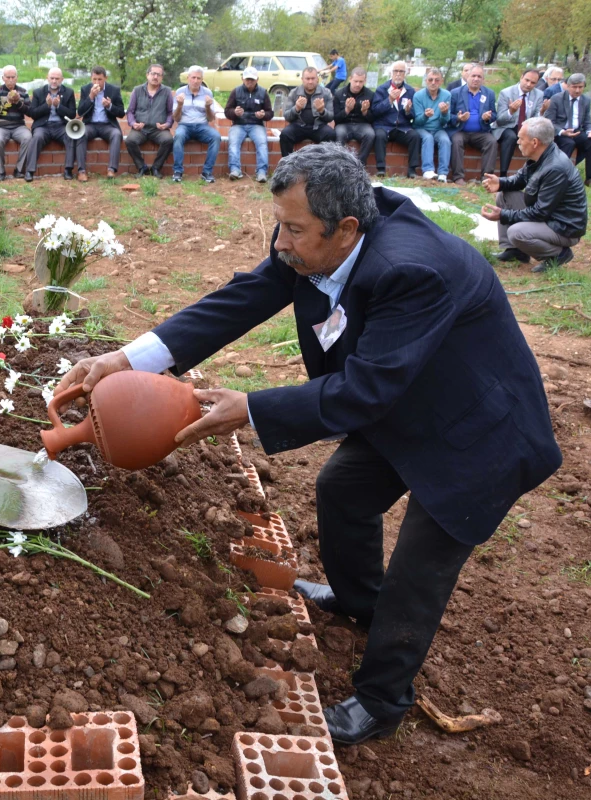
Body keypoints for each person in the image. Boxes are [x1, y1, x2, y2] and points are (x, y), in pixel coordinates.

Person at [56, 142, 561, 748]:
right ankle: (356, 601)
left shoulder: (412, 269)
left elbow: (366, 389)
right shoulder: (318, 246)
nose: (280, 244)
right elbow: (240, 299)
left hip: (477, 433)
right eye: (279, 224)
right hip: (408, 400)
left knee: (417, 572)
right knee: (342, 487)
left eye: (293, 230)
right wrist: (124, 358)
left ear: (346, 227)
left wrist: (251, 407)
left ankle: (381, 701)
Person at [481, 117, 586, 272]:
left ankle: (559, 254)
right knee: (504, 195)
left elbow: (539, 213)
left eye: (521, 139)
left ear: (535, 142)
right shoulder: (540, 156)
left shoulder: (556, 167)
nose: (518, 142)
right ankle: (516, 251)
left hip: (564, 227)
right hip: (550, 216)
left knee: (516, 233)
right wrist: (501, 183)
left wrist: (504, 215)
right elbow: (521, 179)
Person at [544, 73, 591, 187]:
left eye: (580, 87)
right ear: (568, 86)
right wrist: (562, 132)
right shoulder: (557, 98)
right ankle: (557, 175)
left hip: (577, 131)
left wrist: (590, 131)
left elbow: (587, 120)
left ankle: (590, 178)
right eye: (574, 87)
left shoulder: (586, 100)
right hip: (561, 132)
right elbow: (549, 121)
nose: (578, 90)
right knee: (569, 143)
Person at [171, 66, 224, 184]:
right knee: (178, 136)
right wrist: (179, 105)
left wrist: (207, 107)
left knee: (216, 137)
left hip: (202, 126)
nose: (195, 81)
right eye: (193, 77)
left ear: (202, 79)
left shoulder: (207, 93)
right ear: (188, 78)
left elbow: (210, 118)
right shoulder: (180, 92)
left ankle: (207, 172)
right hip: (184, 125)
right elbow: (176, 118)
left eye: (198, 78)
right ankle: (178, 171)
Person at [448, 64, 498, 186]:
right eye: (473, 76)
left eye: (479, 76)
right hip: (461, 130)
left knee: (492, 142)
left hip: (481, 132)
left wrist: (488, 117)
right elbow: (448, 116)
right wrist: (458, 118)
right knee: (456, 141)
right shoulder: (455, 93)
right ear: (467, 76)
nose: (476, 79)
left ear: (483, 79)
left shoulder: (489, 94)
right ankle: (458, 177)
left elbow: (495, 115)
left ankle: (486, 178)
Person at [24, 67, 77, 182]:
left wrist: (59, 106)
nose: (54, 81)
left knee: (70, 136)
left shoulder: (69, 92)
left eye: (57, 78)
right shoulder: (38, 92)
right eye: (52, 78)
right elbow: (33, 114)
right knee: (36, 137)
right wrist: (46, 106)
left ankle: (68, 170)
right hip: (43, 126)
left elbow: (72, 114)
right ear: (47, 78)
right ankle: (29, 171)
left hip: (61, 126)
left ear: (62, 79)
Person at [125, 64, 175, 178]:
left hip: (158, 129)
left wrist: (167, 124)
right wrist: (133, 124)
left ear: (162, 77)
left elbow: (170, 112)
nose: (155, 77)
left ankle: (156, 168)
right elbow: (130, 111)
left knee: (168, 140)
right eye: (153, 73)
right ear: (147, 75)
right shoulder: (137, 90)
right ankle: (141, 167)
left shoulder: (167, 91)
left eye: (159, 74)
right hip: (140, 129)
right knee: (130, 141)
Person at [371, 61, 419, 178]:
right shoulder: (382, 89)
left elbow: (413, 115)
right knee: (379, 135)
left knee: (415, 136)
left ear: (405, 74)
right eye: (395, 71)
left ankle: (412, 170)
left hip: (402, 127)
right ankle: (381, 169)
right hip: (384, 126)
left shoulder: (410, 91)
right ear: (391, 73)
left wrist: (408, 111)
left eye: (401, 71)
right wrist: (389, 100)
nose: (398, 74)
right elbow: (375, 111)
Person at [492, 68, 543, 177]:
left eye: (533, 82)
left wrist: (542, 112)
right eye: (526, 80)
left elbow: (537, 118)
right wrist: (511, 111)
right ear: (521, 78)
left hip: (527, 126)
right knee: (510, 137)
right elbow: (499, 120)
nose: (529, 84)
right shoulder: (506, 93)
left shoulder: (538, 95)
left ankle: (535, 174)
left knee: (538, 138)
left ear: (537, 83)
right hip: (506, 127)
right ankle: (503, 174)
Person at [76, 66, 125, 180]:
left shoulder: (114, 90)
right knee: (80, 133)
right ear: (91, 78)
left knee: (116, 134)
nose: (97, 82)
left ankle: (111, 170)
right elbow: (81, 112)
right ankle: (81, 171)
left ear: (105, 78)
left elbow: (121, 113)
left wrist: (109, 106)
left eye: (100, 79)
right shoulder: (85, 89)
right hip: (90, 124)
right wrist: (91, 97)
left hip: (107, 125)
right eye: (94, 79)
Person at [224, 66, 271, 182]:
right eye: (247, 79)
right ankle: (235, 170)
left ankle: (261, 172)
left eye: (252, 79)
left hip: (257, 125)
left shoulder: (263, 92)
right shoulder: (236, 91)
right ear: (242, 79)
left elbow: (270, 113)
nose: (249, 82)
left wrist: (263, 115)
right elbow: (227, 111)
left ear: (257, 79)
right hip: (238, 124)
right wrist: (234, 112)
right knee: (233, 143)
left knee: (262, 143)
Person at [279, 67, 336, 160]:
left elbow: (331, 117)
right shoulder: (294, 93)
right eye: (307, 79)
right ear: (302, 79)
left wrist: (322, 111)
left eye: (313, 78)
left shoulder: (326, 93)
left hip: (318, 126)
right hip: (298, 126)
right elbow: (287, 116)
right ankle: (287, 165)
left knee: (331, 134)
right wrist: (296, 108)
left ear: (317, 79)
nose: (310, 81)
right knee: (285, 134)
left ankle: (324, 167)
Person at [0, 66, 31, 181]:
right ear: (3, 78)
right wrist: (7, 102)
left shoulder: (23, 92)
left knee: (28, 137)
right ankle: (1, 171)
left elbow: (30, 111)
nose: (11, 80)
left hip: (19, 125)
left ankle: (18, 170)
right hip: (1, 126)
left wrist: (18, 103)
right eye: (8, 77)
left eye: (13, 77)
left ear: (17, 78)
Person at [332, 67, 375, 169]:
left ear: (365, 81)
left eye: (361, 82)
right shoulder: (339, 94)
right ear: (350, 79)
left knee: (370, 134)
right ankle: (340, 165)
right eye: (356, 81)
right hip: (344, 124)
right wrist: (346, 110)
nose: (358, 84)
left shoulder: (370, 95)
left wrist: (365, 112)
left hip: (362, 124)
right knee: (338, 133)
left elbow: (373, 118)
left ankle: (360, 165)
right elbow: (336, 118)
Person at [413, 68, 451, 181]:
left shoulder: (447, 95)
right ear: (426, 81)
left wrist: (444, 113)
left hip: (438, 128)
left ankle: (443, 173)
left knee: (445, 140)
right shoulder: (418, 96)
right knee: (428, 138)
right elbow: (417, 121)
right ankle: (428, 170)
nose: (433, 83)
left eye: (436, 80)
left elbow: (445, 121)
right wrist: (425, 116)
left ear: (441, 81)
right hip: (422, 128)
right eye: (430, 80)